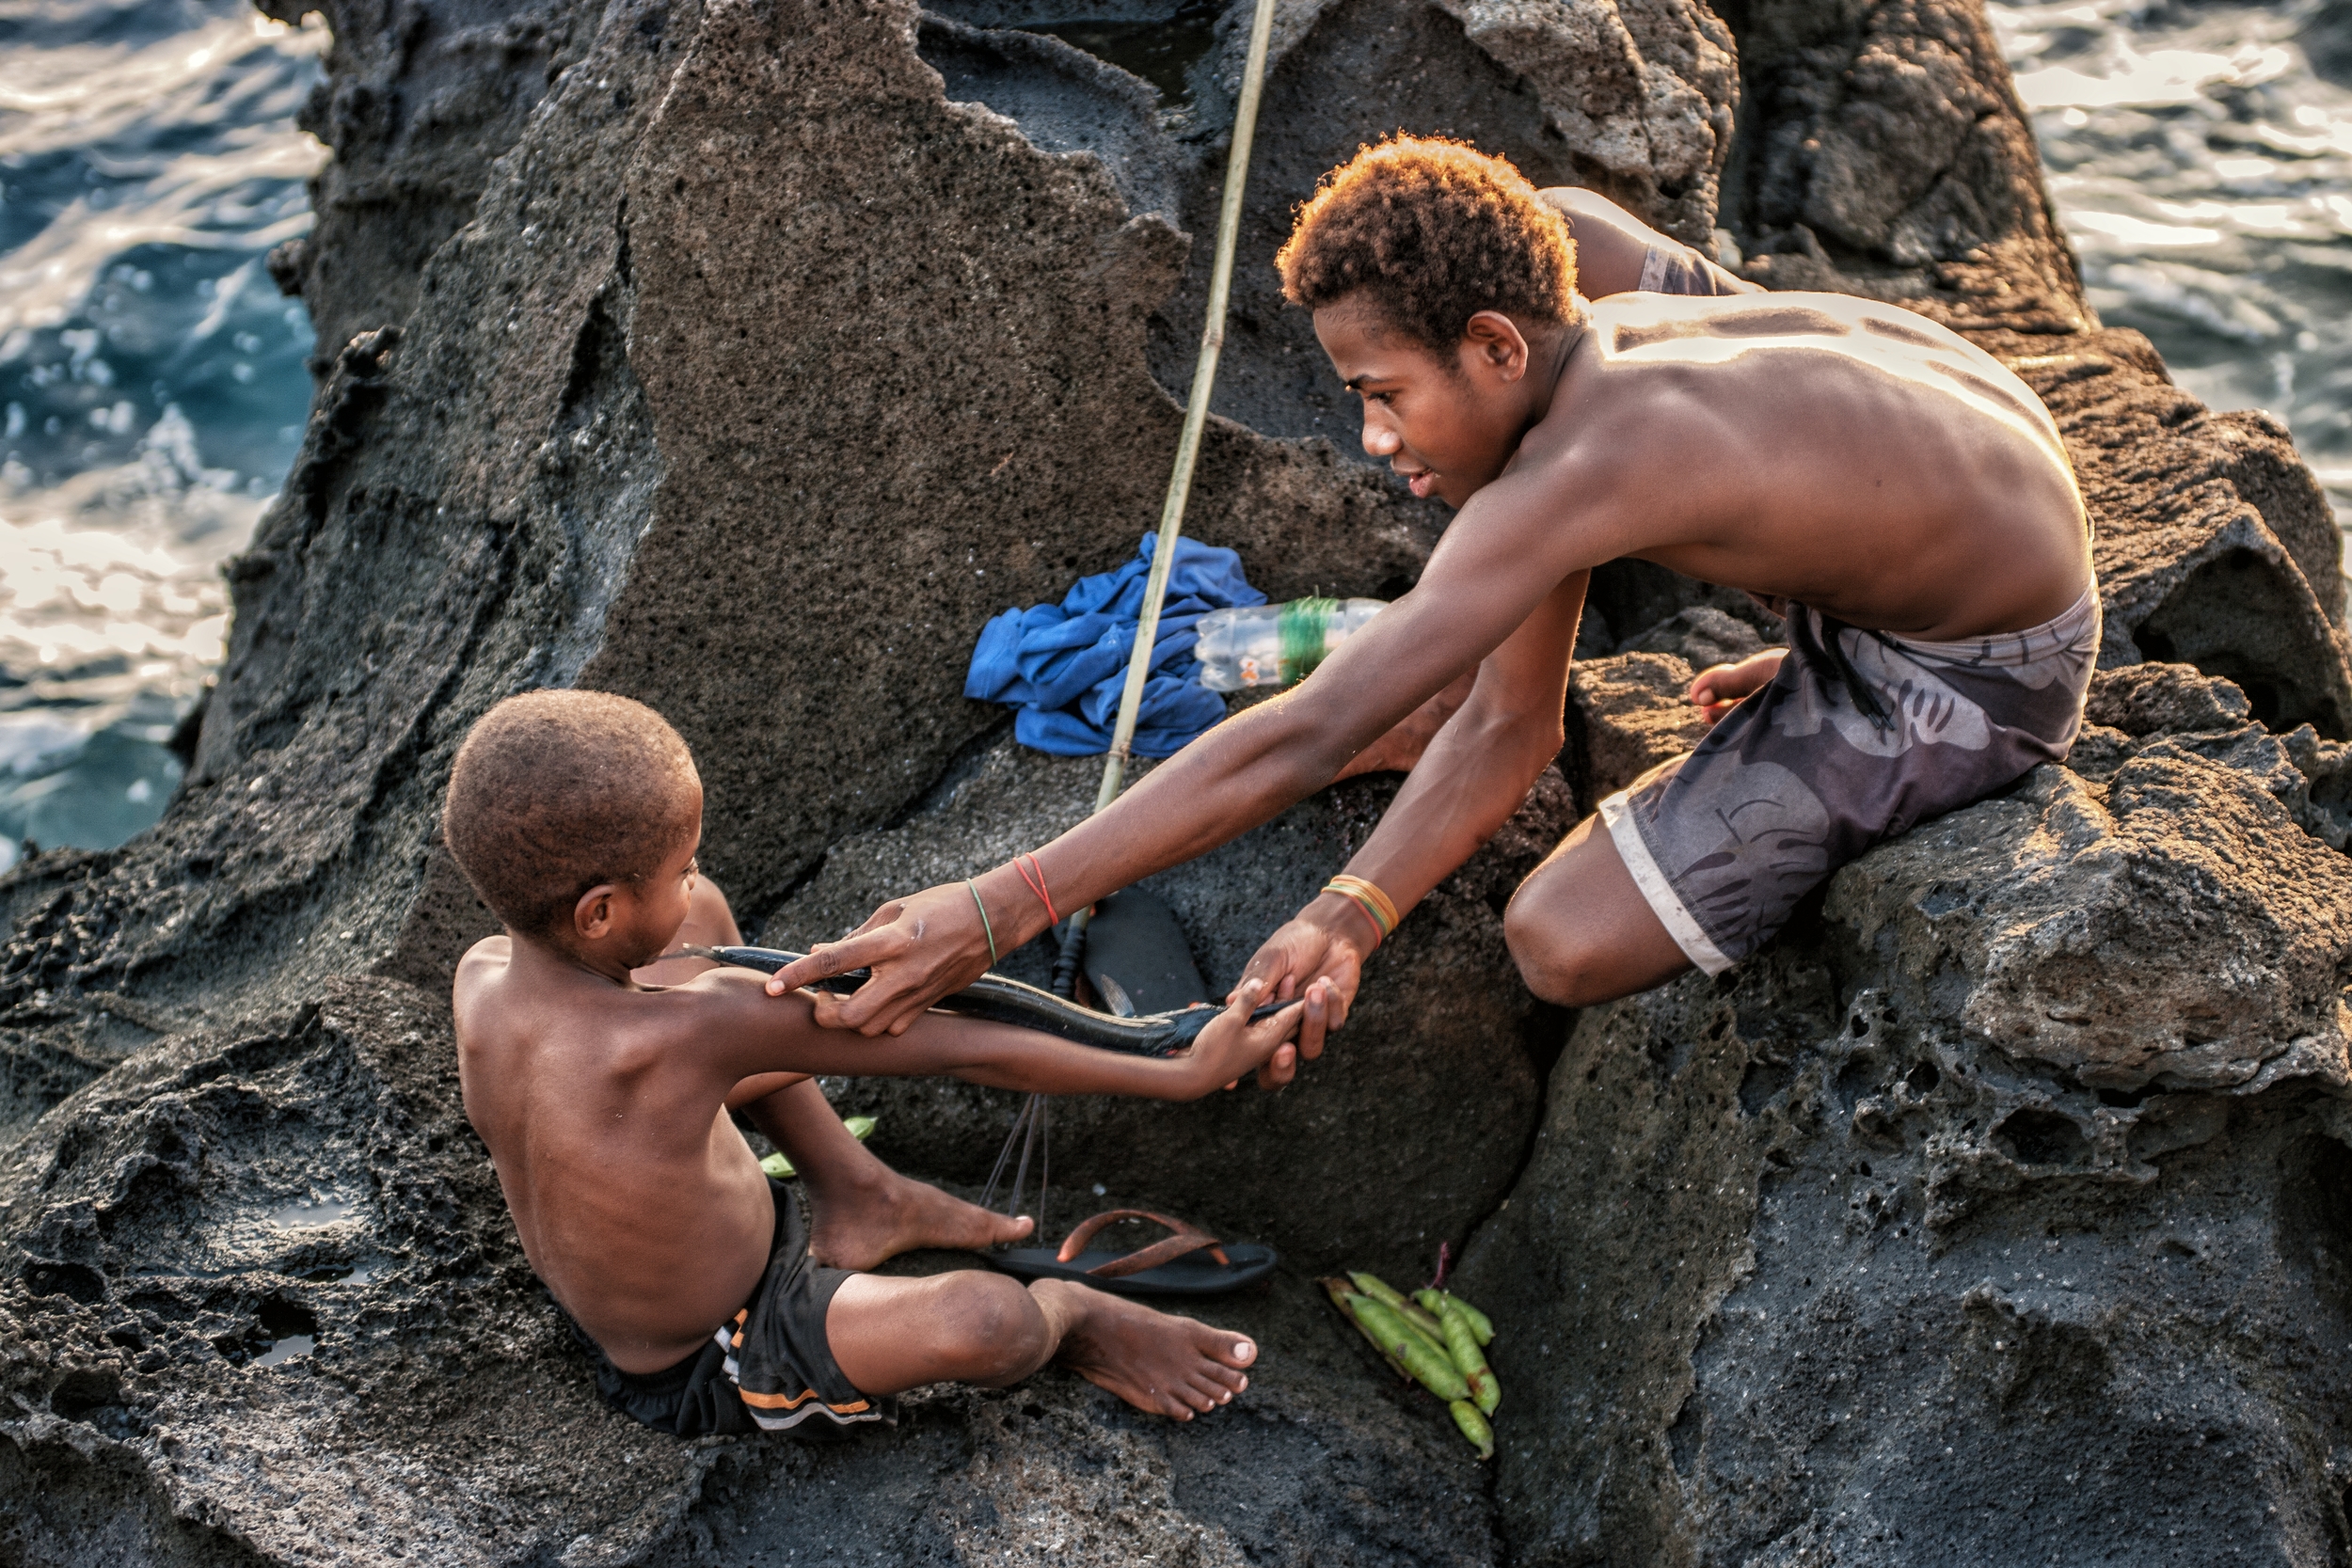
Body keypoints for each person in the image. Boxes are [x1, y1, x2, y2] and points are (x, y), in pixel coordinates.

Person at [768, 135, 2097, 1081]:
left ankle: (1856, 686)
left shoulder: (1580, 469)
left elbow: (1316, 733)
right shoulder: (1564, 247)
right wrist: (1353, 903)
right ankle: (1834, 632)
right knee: (1477, 628)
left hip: (1979, 662)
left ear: (1496, 346)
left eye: (1384, 393)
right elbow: (1509, 714)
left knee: (1558, 937)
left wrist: (995, 908)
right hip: (1972, 462)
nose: (1370, 438)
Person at [448, 689, 1310, 1437]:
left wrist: (703, 931)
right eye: (682, 865)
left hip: (659, 1135)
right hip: (723, 1348)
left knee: (703, 926)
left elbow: (664, 1040)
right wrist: (1175, 1069)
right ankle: (1076, 1314)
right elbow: (965, 1048)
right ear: (599, 912)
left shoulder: (482, 974)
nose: (695, 878)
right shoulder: (694, 1033)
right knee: (988, 1320)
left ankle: (859, 1190)